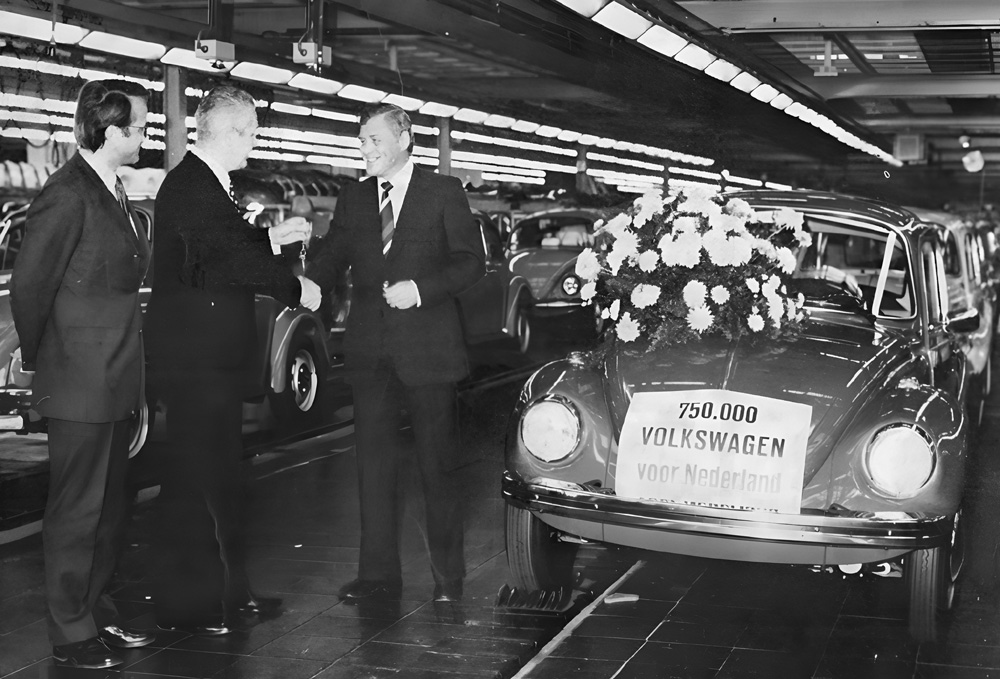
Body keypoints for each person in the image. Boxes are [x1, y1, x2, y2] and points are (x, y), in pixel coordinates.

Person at [143, 85, 321, 635]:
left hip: (206, 360)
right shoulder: (194, 185)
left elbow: (221, 246)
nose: (254, 143)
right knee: (195, 482)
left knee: (214, 478)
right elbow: (218, 262)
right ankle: (187, 608)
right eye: (250, 133)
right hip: (197, 363)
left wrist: (270, 238)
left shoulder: (205, 184)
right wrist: (295, 287)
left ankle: (225, 594)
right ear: (229, 131)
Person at [304, 102, 484, 602]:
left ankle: (449, 578)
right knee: (374, 467)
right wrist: (305, 282)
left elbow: (471, 262)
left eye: (374, 141)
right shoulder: (353, 198)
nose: (365, 151)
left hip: (428, 350)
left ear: (404, 139)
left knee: (437, 466)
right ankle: (377, 576)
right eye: (362, 142)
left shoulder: (442, 192)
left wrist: (421, 289)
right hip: (370, 351)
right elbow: (332, 257)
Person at [10, 78, 154, 669]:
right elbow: (28, 286)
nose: (146, 135)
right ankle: (70, 631)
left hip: (115, 376)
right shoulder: (68, 193)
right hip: (80, 380)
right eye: (140, 127)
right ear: (111, 130)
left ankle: (95, 610)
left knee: (112, 507)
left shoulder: (112, 189)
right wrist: (49, 362)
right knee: (78, 510)